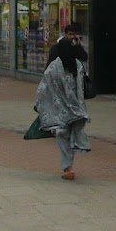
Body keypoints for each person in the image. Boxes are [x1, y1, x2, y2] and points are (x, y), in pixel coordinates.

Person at [35, 36, 91, 180]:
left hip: (60, 107)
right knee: (71, 134)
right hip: (76, 107)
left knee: (62, 135)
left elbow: (44, 87)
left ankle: (68, 167)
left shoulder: (55, 66)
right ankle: (69, 165)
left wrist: (39, 103)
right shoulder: (77, 65)